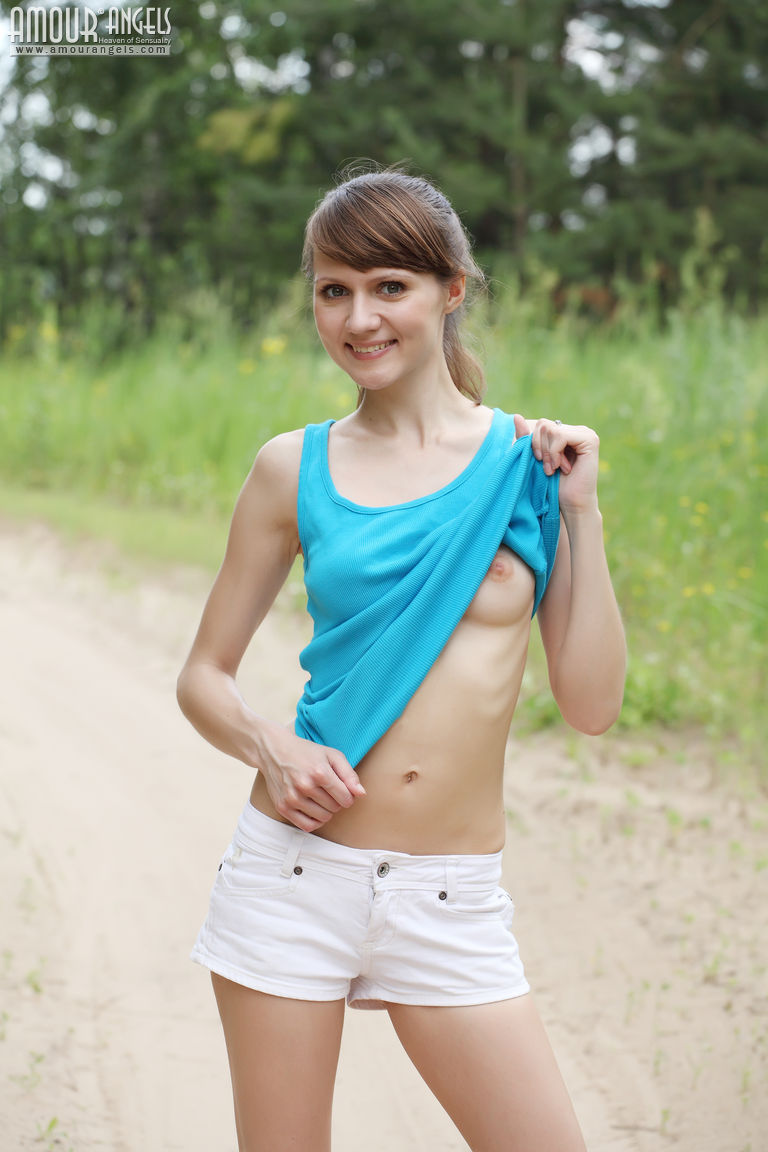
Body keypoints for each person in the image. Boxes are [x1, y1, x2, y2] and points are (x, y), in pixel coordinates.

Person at [177, 167, 626, 1152]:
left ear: (451, 289)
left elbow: (592, 705)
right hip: (295, 877)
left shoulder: (531, 467)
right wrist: (268, 745)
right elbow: (203, 675)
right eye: (333, 290)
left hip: (449, 898)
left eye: (390, 286)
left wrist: (582, 511)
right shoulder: (291, 467)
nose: (359, 318)